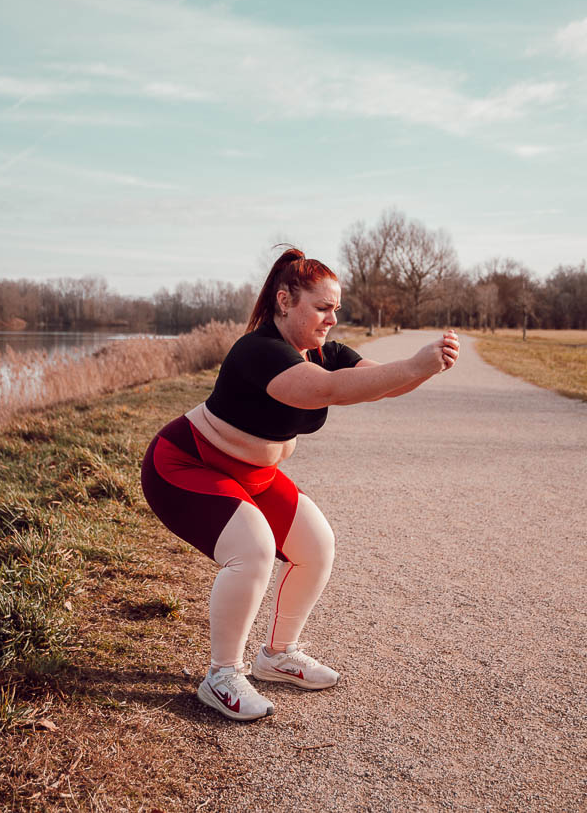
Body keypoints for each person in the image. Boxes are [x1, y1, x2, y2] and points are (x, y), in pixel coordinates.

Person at [141, 248, 459, 722]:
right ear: (285, 300)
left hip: (254, 473)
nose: (333, 318)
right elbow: (326, 390)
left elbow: (379, 383)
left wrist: (424, 368)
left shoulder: (324, 352)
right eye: (323, 307)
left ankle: (278, 656)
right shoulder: (259, 350)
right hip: (185, 464)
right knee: (253, 549)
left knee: (317, 545)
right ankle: (222, 676)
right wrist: (416, 365)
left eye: (336, 308)